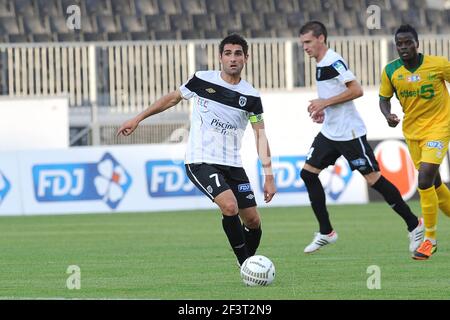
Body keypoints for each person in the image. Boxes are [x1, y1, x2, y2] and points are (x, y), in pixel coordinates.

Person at [117, 34, 276, 267]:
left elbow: (260, 134)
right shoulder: (202, 80)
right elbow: (172, 99)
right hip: (201, 160)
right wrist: (138, 118)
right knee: (229, 206)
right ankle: (246, 266)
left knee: (253, 221)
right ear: (220, 57)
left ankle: (249, 265)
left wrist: (269, 175)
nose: (233, 58)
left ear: (246, 58)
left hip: (233, 163)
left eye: (238, 54)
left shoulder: (251, 96)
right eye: (228, 53)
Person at [298, 21, 424, 254]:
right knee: (307, 174)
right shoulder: (319, 64)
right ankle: (326, 232)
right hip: (330, 131)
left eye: (308, 42)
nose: (304, 47)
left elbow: (356, 90)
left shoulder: (333, 60)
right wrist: (324, 110)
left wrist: (324, 103)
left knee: (373, 179)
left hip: (349, 133)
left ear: (321, 39)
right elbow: (334, 93)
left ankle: (414, 224)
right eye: (302, 43)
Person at [379, 24, 450, 260]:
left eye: (408, 42)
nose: (404, 47)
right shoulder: (391, 71)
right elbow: (384, 99)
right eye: (399, 44)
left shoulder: (438, 64)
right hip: (413, 133)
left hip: (439, 128)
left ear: (417, 43)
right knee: (436, 185)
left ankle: (429, 239)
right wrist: (387, 115)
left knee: (424, 179)